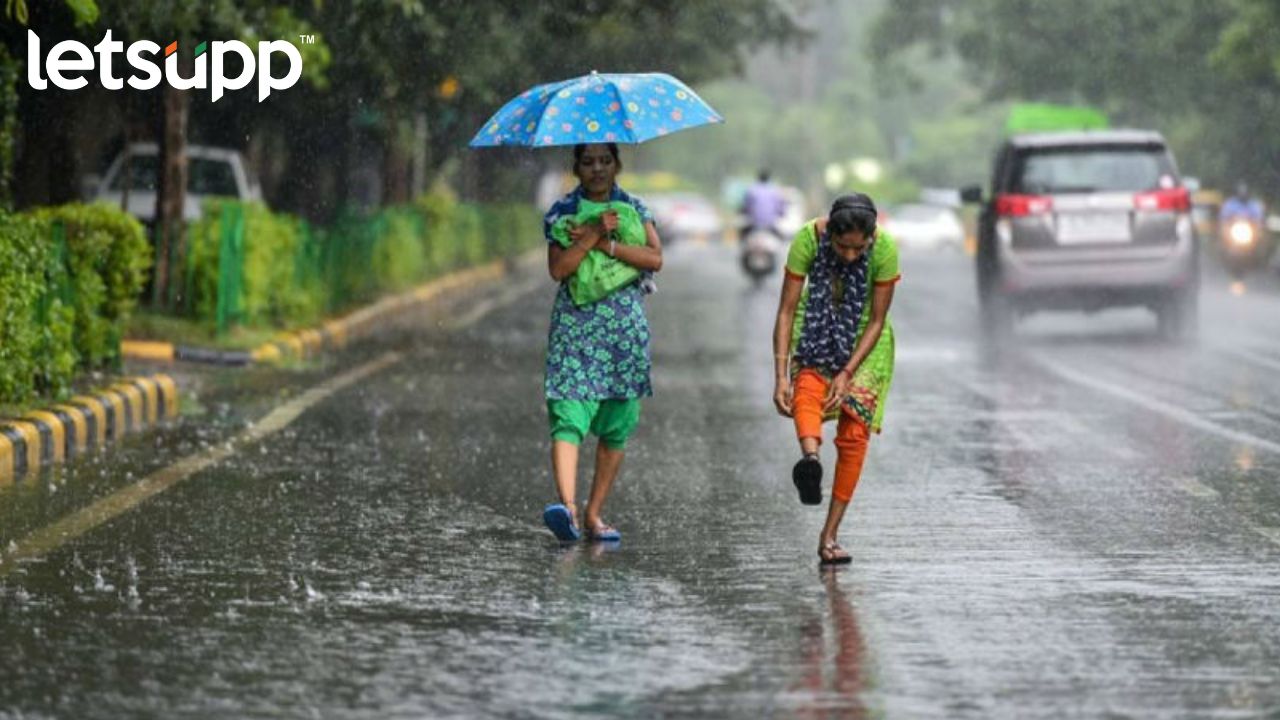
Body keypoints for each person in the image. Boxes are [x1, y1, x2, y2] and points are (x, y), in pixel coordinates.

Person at [541, 142, 663, 543]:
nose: (597, 169)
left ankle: (594, 514)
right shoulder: (562, 213)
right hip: (575, 330)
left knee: (616, 424)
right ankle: (568, 509)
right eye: (589, 162)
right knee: (568, 411)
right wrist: (590, 234)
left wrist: (607, 243)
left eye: (605, 161)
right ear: (576, 167)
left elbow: (654, 259)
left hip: (623, 333)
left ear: (617, 165)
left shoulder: (634, 209)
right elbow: (559, 269)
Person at [771, 193, 900, 565]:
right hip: (815, 327)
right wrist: (780, 375)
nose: (850, 256)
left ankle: (829, 535)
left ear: (871, 238)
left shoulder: (885, 249)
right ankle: (810, 461)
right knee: (806, 389)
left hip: (865, 341)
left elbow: (877, 320)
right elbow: (786, 311)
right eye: (842, 247)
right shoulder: (807, 240)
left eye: (859, 248)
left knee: (855, 434)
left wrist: (847, 372)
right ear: (830, 234)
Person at [742, 169, 788, 238]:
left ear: (758, 178)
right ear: (768, 178)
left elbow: (746, 206)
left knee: (742, 236)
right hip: (770, 224)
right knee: (782, 238)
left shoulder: (751, 190)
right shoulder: (774, 190)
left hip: (754, 224)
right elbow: (780, 208)